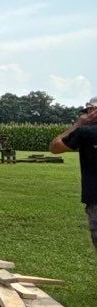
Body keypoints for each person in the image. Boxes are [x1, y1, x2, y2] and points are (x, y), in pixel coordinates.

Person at [50, 97, 97, 255]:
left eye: (88, 111)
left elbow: (55, 147)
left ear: (92, 111)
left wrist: (78, 124)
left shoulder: (85, 132)